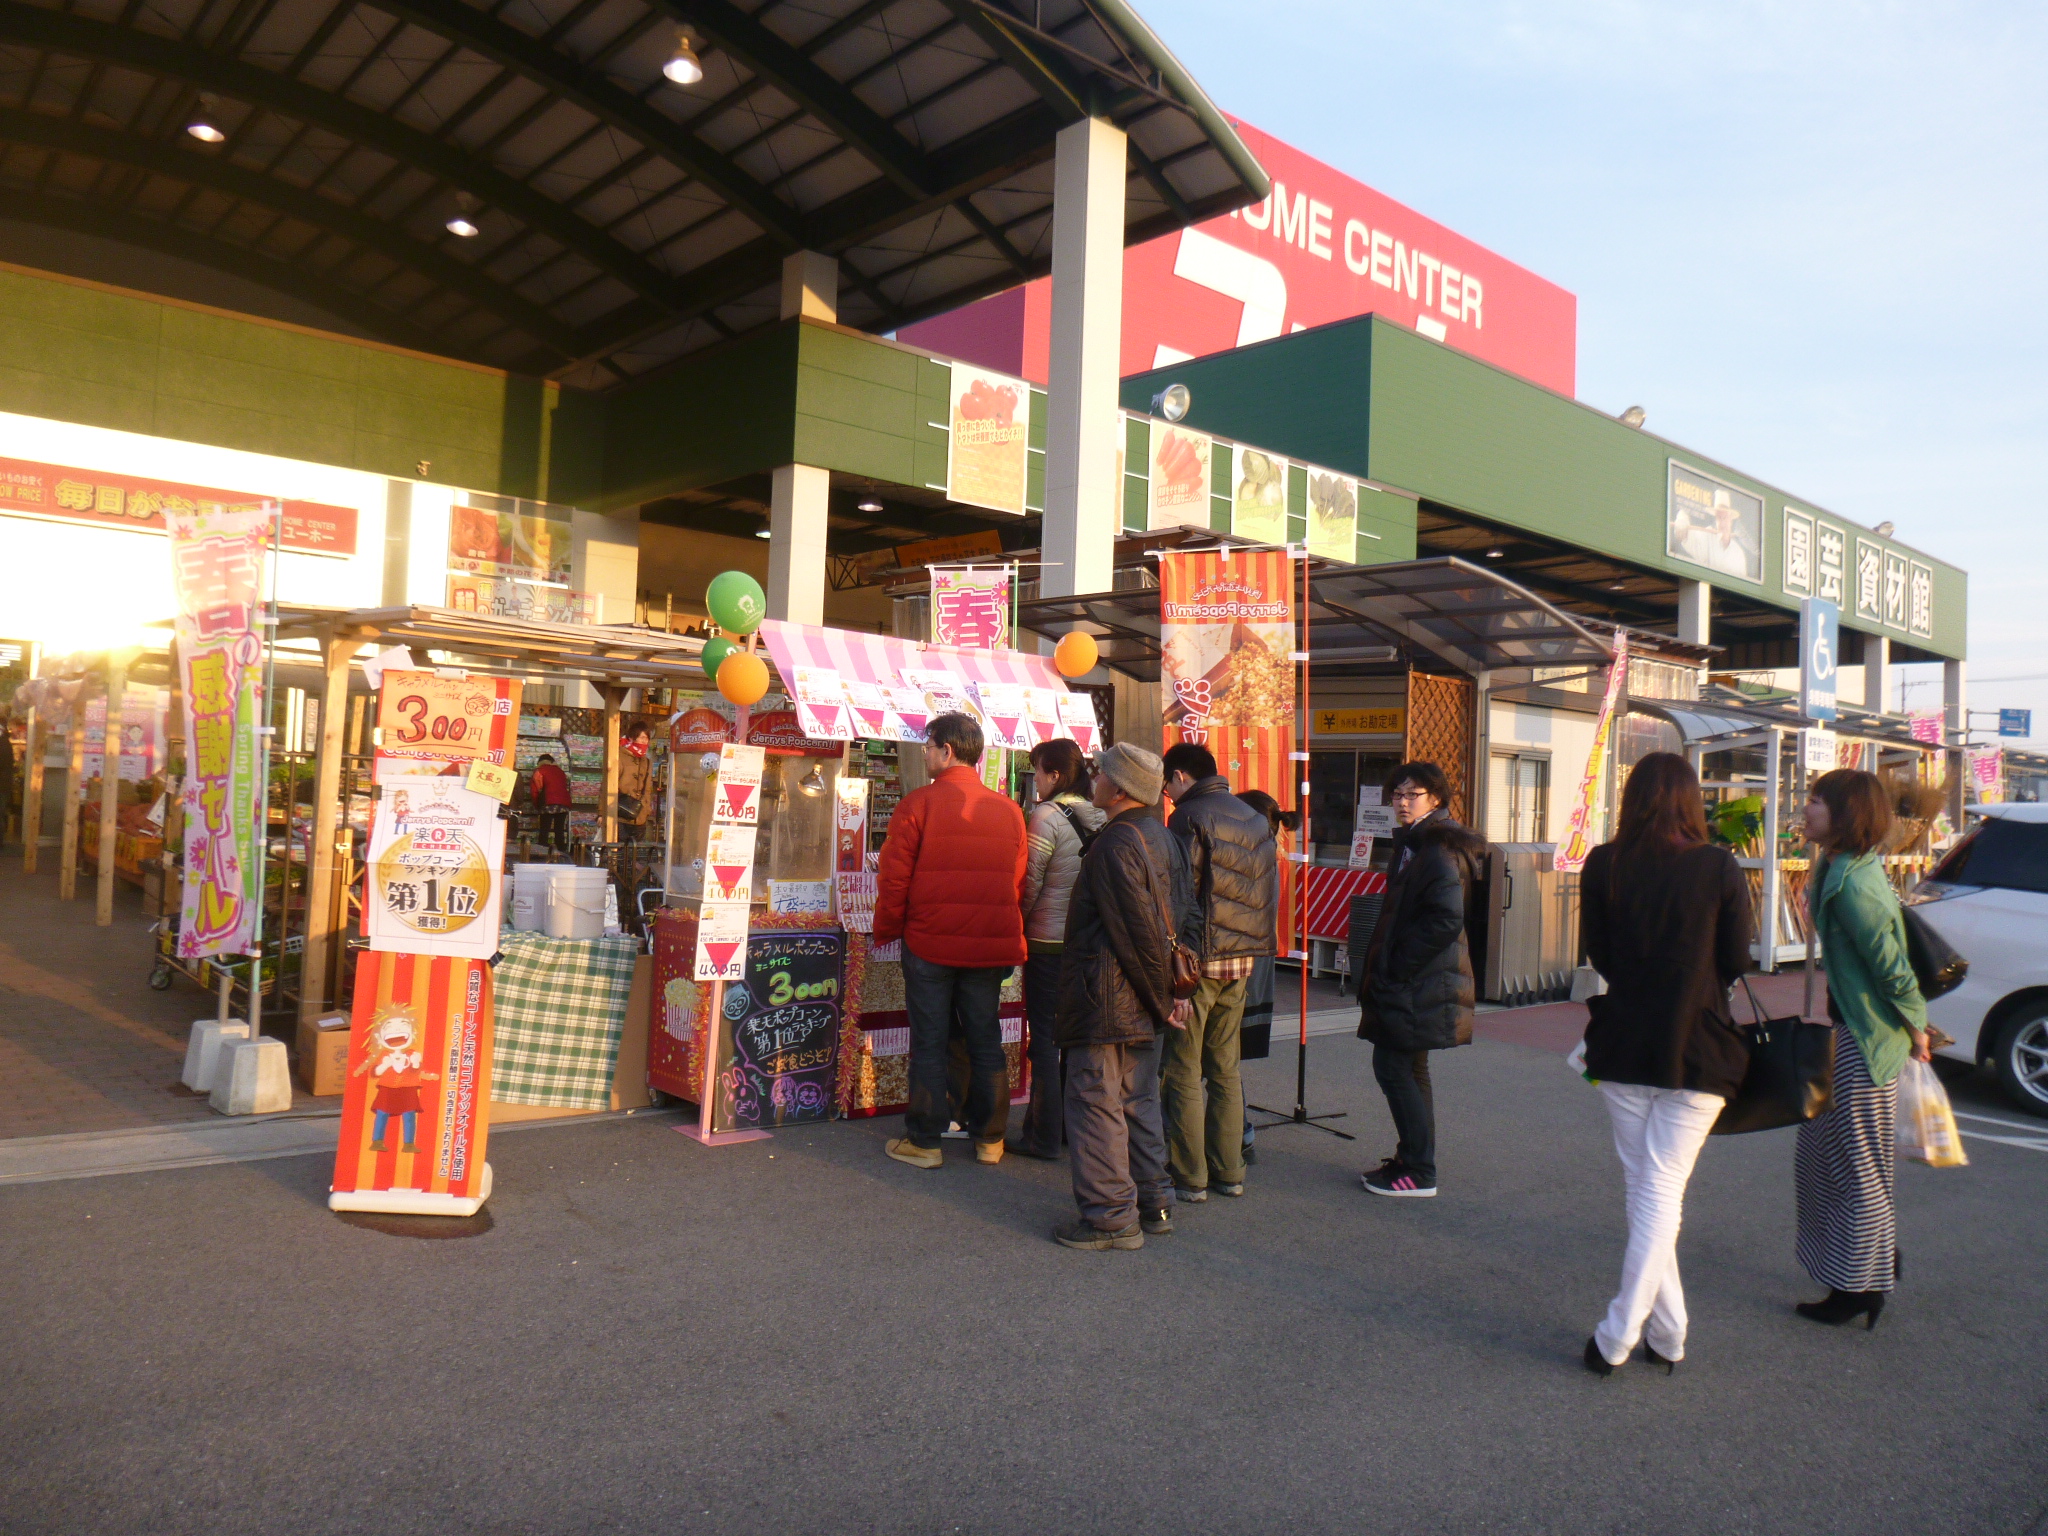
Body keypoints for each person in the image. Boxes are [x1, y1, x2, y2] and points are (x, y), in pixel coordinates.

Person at [1577, 752, 1753, 1377]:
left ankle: (1642, 1331)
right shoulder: (1718, 865)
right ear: (1689, 801)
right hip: (1699, 1046)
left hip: (1622, 1042)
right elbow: (1737, 956)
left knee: (1648, 1189)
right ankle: (1641, 1333)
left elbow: (1598, 951)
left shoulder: (1605, 862)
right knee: (1658, 1190)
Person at [1794, 768, 1930, 1331]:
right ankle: (1872, 1262)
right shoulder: (1838, 866)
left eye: (1816, 802)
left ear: (1845, 815)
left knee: (1856, 1167)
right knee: (1824, 1156)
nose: (1805, 810)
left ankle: (1861, 1286)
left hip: (1868, 1038)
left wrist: (1919, 1027)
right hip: (1850, 1029)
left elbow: (1891, 966)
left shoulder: (1851, 882)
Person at [873, 712, 1027, 1170]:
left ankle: (925, 1139)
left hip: (930, 942)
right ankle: (990, 1138)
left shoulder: (917, 805)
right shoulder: (1009, 810)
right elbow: (1017, 881)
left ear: (948, 750)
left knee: (931, 1040)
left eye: (929, 745)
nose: (925, 753)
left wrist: (888, 929)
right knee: (984, 1036)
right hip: (987, 945)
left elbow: (894, 878)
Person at [1053, 743, 1192, 1251]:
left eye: (1101, 774)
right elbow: (1184, 918)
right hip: (1143, 993)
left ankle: (1111, 1218)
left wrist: (1165, 997)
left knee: (1096, 1101)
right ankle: (1152, 1202)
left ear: (1119, 787)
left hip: (1110, 993)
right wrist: (1174, 994)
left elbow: (1138, 933)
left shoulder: (1116, 843)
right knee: (1138, 1100)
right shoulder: (1161, 836)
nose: (1094, 781)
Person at [1354, 761, 1486, 1198]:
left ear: (1436, 799)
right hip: (1422, 982)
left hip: (1418, 982)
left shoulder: (1437, 848)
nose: (1402, 802)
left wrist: (1396, 966)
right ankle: (1414, 1161)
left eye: (1412, 795)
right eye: (1397, 794)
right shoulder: (1419, 842)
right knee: (1410, 1068)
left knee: (1393, 1067)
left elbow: (1445, 919)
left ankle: (1419, 1170)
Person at [1160, 743, 1276, 1202]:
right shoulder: (1252, 816)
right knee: (1225, 1068)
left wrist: (1178, 961)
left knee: (1183, 1068)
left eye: (1168, 782)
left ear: (1182, 776)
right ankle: (1229, 1171)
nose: (1167, 793)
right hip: (1244, 959)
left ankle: (1191, 1175)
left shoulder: (1188, 818)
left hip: (1200, 960)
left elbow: (1181, 896)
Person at [1011, 738, 1107, 1161]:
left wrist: (1019, 920)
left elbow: (1030, 883)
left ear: (1053, 775)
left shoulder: (1045, 816)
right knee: (1073, 1038)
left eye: (1037, 771)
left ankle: (1042, 1136)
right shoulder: (1101, 815)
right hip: (1086, 942)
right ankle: (1069, 1127)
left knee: (1045, 1042)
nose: (1035, 780)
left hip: (1048, 941)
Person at [1233, 788, 1298, 1164]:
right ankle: (1239, 1133)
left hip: (1241, 966)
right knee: (1225, 1059)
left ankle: (1238, 1133)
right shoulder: (1267, 855)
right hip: (1255, 964)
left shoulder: (1251, 858)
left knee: (1219, 1056)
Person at [617, 724, 654, 843]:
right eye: (641, 737)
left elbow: (648, 787)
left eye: (646, 738)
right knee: (619, 852)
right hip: (621, 812)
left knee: (634, 853)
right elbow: (607, 784)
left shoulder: (646, 761)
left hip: (640, 814)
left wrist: (647, 808)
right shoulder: (620, 756)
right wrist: (602, 813)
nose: (644, 741)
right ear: (632, 738)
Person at [529, 753, 572, 854]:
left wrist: (537, 805)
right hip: (563, 804)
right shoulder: (560, 771)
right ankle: (561, 853)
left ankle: (541, 852)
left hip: (547, 803)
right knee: (559, 830)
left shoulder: (539, 771)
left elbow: (535, 790)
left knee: (544, 830)